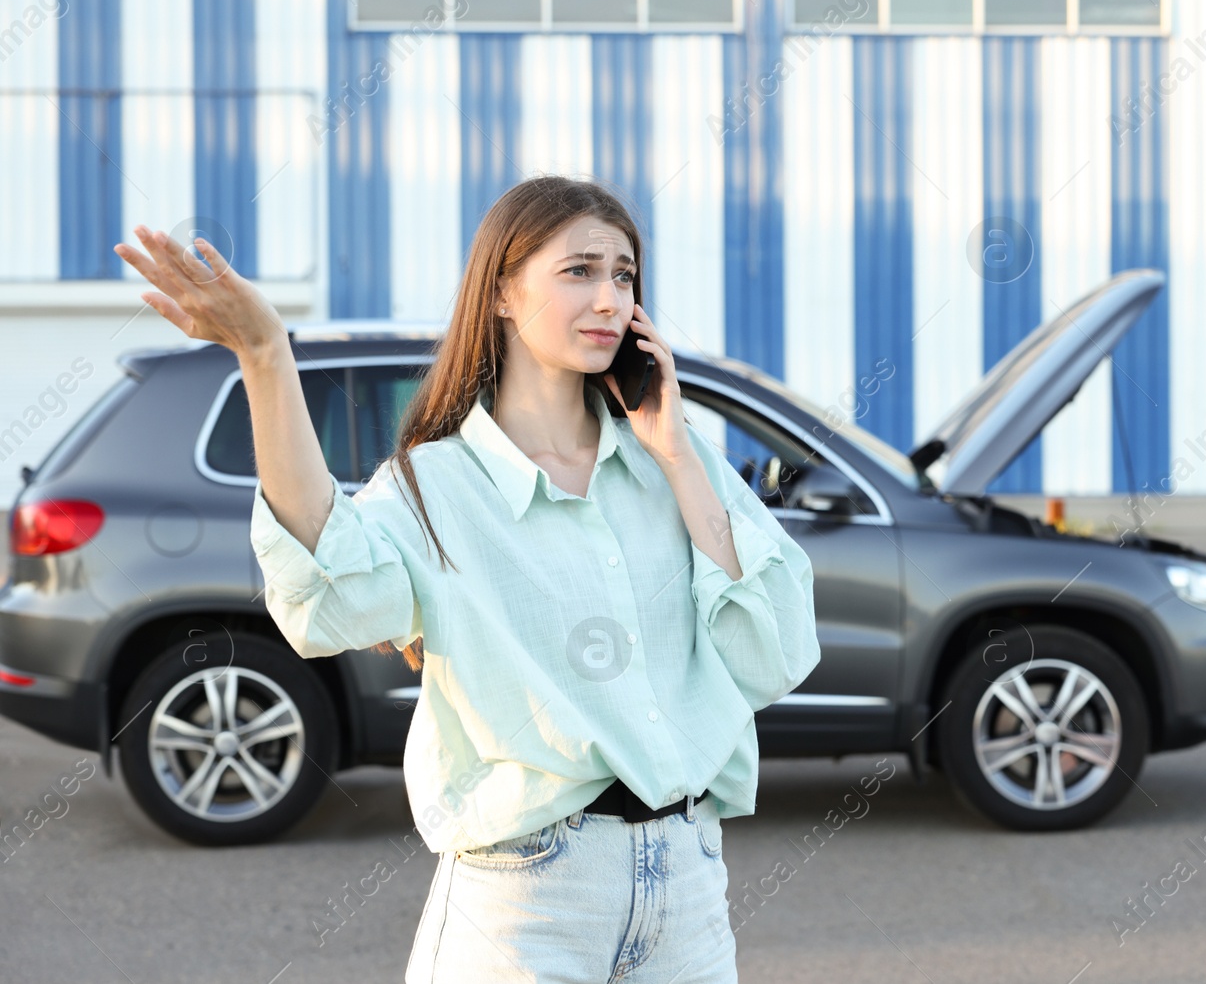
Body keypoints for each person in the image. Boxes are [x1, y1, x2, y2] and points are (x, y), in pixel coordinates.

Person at [113, 175, 822, 982]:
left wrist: (677, 454)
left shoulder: (676, 463)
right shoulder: (432, 485)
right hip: (528, 899)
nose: (610, 298)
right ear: (503, 294)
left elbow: (772, 653)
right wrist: (266, 355)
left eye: (624, 274)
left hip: (689, 888)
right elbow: (330, 599)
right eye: (579, 270)